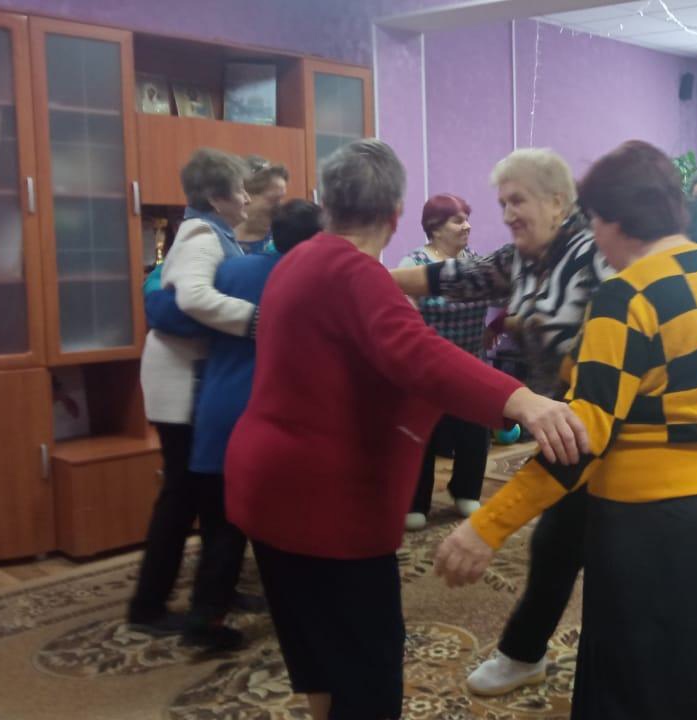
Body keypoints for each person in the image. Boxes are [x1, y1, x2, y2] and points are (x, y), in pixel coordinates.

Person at [224, 139, 587, 720]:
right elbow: (420, 354)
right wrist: (523, 401)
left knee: (316, 647)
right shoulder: (355, 275)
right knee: (367, 672)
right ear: (396, 215)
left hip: (268, 487)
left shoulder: (299, 260)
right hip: (326, 505)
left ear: (326, 204)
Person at [435, 140, 697, 720]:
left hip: (655, 521)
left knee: (630, 681)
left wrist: (486, 527)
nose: (593, 236)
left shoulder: (627, 295)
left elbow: (579, 442)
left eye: (594, 220)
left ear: (617, 219)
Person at [390, 148, 607, 696]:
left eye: (518, 200)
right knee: (559, 544)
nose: (507, 213)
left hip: (608, 427)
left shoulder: (595, 254)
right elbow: (454, 277)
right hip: (565, 427)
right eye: (502, 202)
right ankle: (526, 654)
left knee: (595, 552)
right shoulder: (520, 258)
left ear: (557, 201)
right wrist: (377, 280)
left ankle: (568, 663)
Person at [132, 148, 256, 651]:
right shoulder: (203, 235)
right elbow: (194, 298)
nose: (246, 198)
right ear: (214, 196)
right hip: (182, 382)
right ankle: (150, 606)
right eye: (240, 190)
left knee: (197, 496)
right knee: (184, 497)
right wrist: (256, 320)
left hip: (191, 378)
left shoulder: (214, 233)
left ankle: (212, 594)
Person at [396, 194, 492, 531]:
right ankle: (415, 502)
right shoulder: (414, 264)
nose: (467, 226)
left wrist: (496, 326)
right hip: (428, 370)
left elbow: (509, 293)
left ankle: (466, 491)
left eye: (467, 218)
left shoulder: (477, 263)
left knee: (474, 432)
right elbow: (402, 312)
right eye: (458, 220)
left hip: (472, 365)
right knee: (420, 436)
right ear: (435, 228)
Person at [236, 156, 290, 254]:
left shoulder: (283, 238)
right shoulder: (218, 236)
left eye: (281, 198)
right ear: (245, 195)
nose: (280, 206)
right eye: (273, 199)